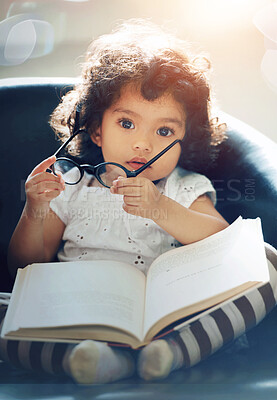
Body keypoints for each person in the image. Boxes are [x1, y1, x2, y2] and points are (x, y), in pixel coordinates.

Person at [2, 19, 276, 384]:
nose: (143, 144)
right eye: (127, 123)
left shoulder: (185, 187)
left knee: (266, 260)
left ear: (185, 140)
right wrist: (34, 211)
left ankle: (170, 352)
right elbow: (24, 267)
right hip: (73, 316)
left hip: (166, 323)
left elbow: (226, 247)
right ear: (97, 128)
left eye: (164, 131)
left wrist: (162, 209)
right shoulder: (72, 188)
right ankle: (85, 358)